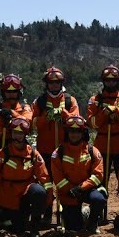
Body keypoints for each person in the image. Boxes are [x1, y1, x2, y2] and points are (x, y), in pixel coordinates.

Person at [31, 66, 82, 221]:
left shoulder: (70, 100)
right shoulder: (40, 101)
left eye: (57, 82)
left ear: (61, 83)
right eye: (51, 82)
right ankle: (46, 214)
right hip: (45, 149)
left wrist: (63, 114)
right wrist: (46, 117)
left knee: (65, 181)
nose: (54, 85)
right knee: (46, 183)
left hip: (65, 150)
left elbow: (76, 121)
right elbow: (33, 123)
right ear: (47, 84)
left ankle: (66, 214)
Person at [87, 64, 119, 222]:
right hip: (102, 146)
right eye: (108, 80)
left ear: (118, 81)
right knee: (100, 181)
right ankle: (99, 215)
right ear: (103, 81)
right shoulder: (95, 100)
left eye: (113, 80)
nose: (110, 83)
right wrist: (104, 113)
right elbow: (92, 123)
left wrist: (117, 111)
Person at [0, 117, 50, 237]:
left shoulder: (33, 154)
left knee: (39, 192)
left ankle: (35, 227)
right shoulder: (2, 154)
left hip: (25, 193)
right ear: (11, 134)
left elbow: (44, 177)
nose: (17, 136)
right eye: (15, 133)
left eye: (20, 133)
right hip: (8, 195)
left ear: (25, 135)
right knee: (15, 228)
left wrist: (47, 199)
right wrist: (1, 197)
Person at [50, 115, 107, 236]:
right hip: (69, 192)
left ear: (83, 133)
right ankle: (83, 214)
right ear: (67, 132)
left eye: (77, 131)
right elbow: (58, 179)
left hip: (86, 189)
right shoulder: (58, 153)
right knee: (75, 228)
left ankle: (92, 223)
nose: (74, 134)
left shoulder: (92, 151)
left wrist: (81, 188)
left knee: (99, 199)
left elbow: (98, 175)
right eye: (71, 131)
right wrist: (71, 190)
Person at [0, 74, 33, 152]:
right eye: (8, 92)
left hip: (20, 144)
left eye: (14, 91)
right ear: (3, 93)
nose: (11, 94)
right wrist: (1, 119)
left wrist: (12, 113)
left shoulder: (25, 108)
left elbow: (28, 125)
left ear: (19, 92)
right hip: (2, 145)